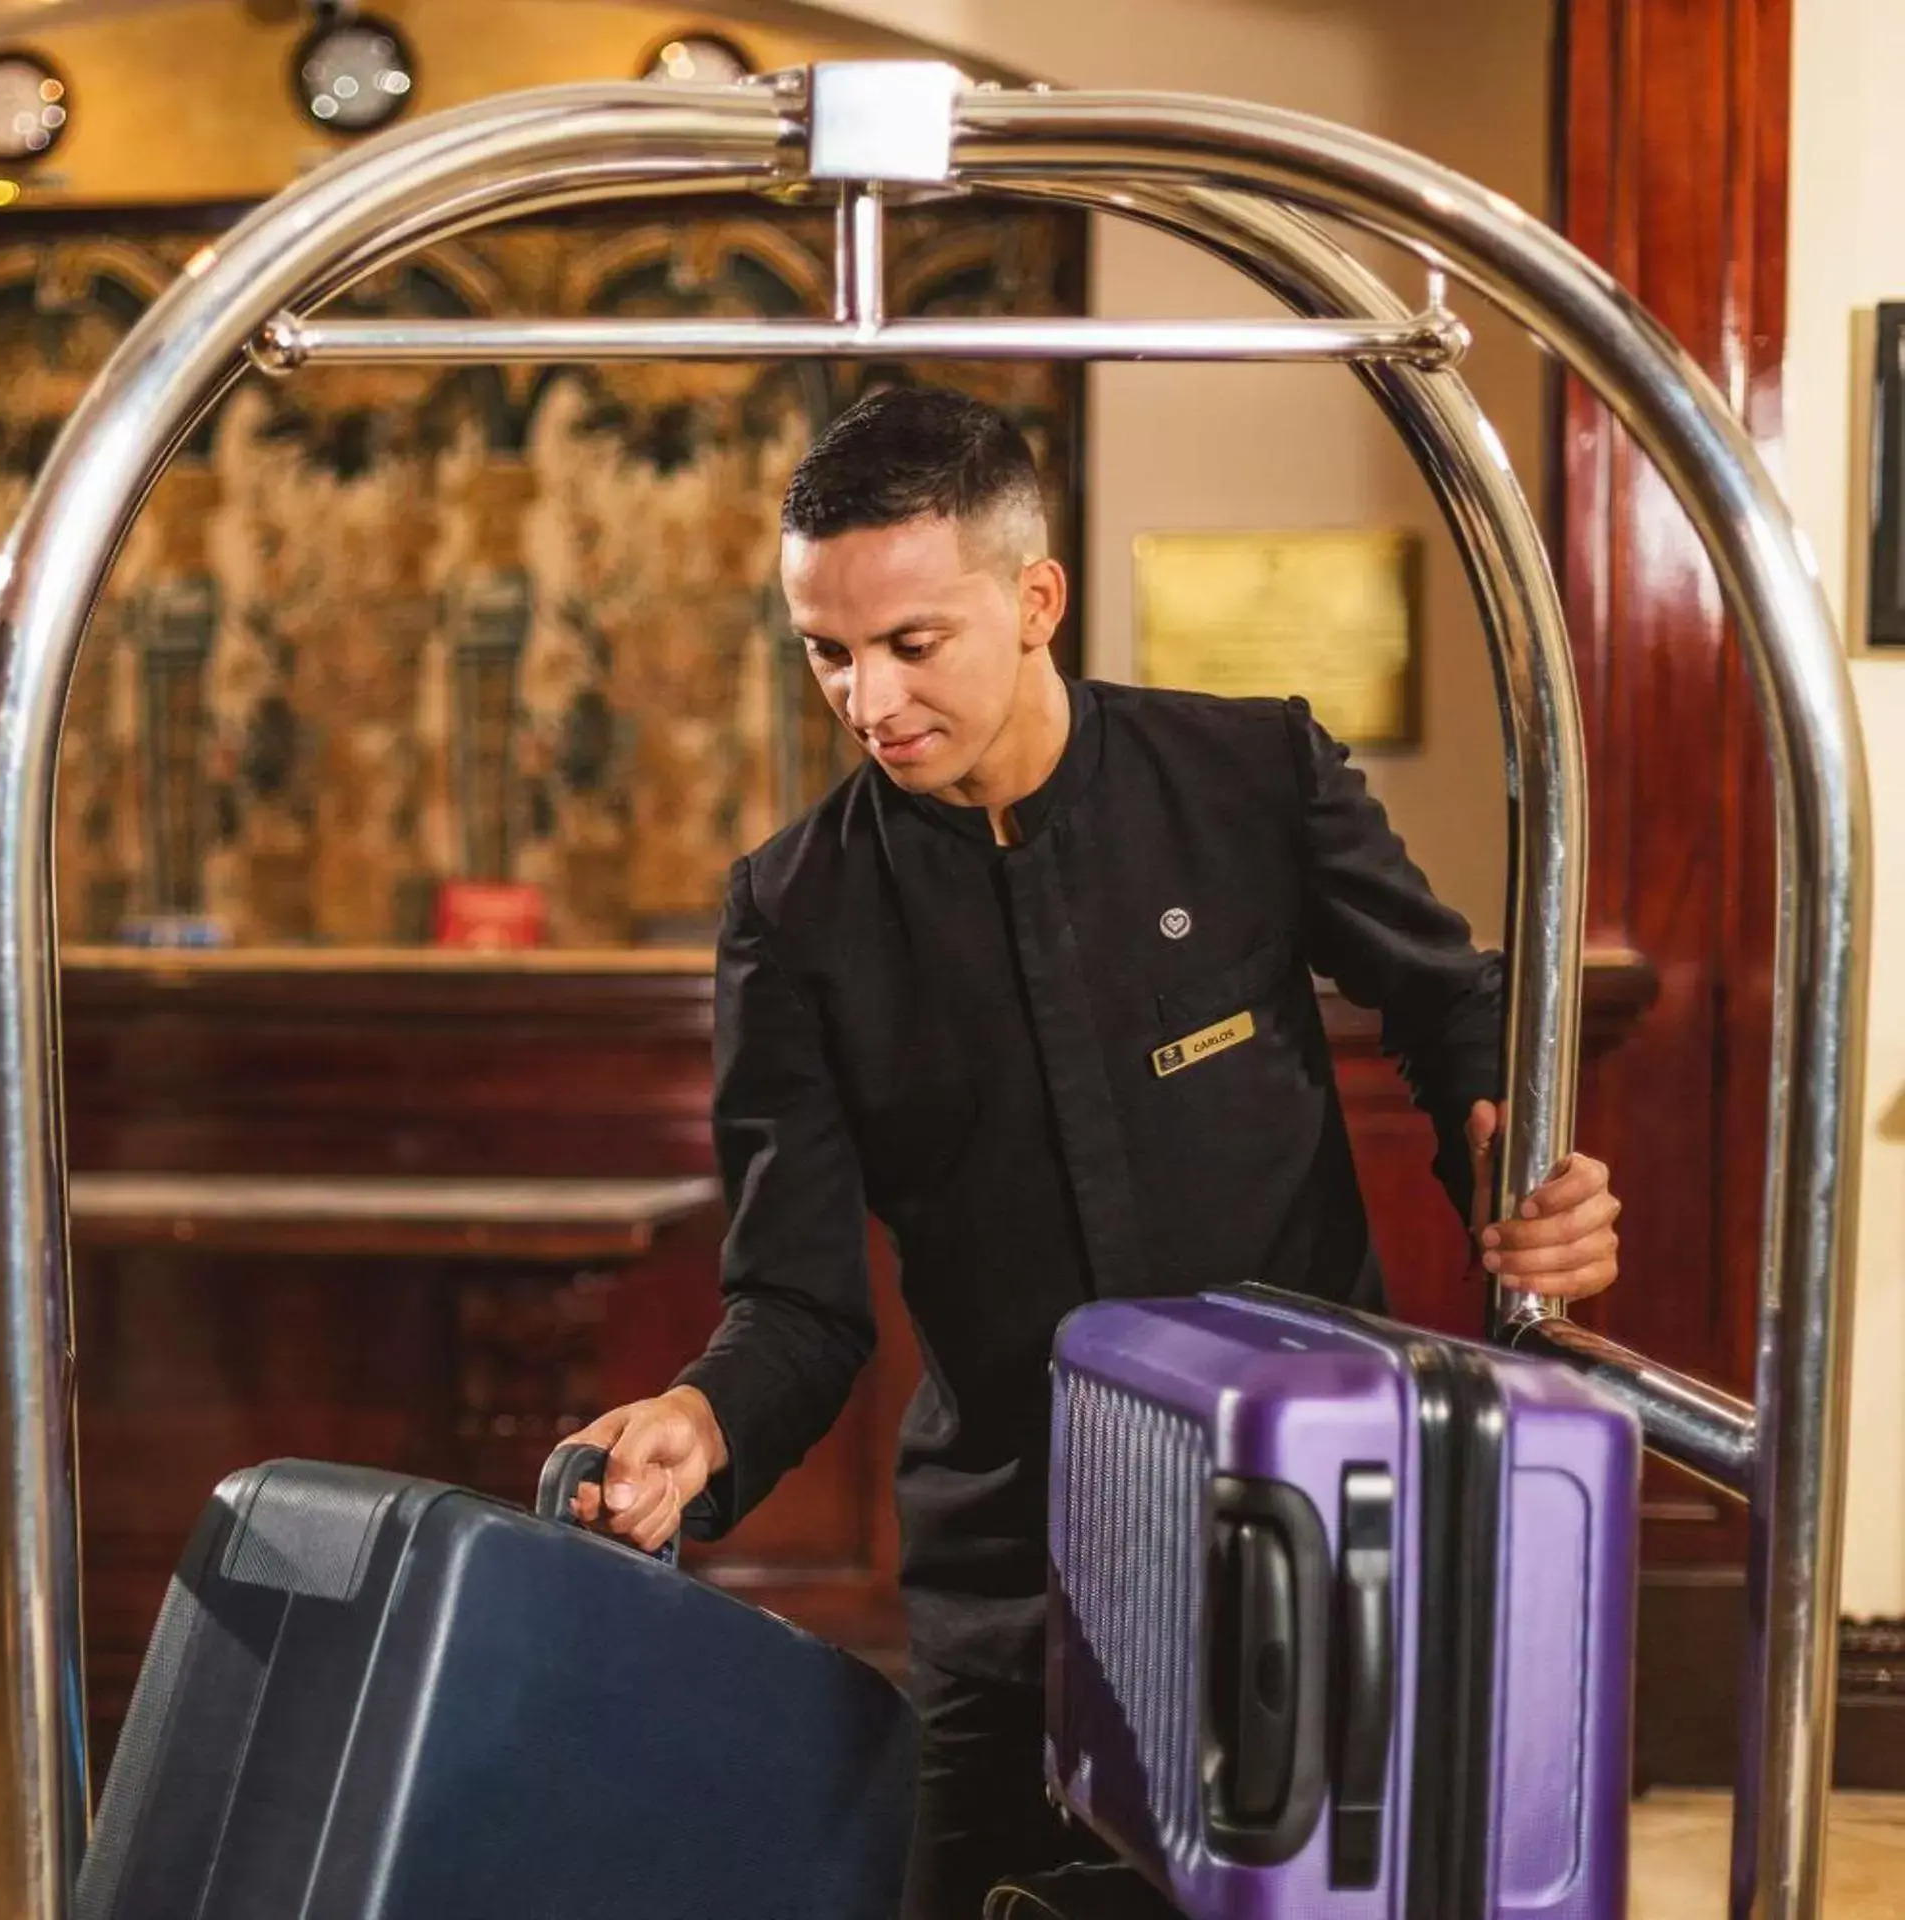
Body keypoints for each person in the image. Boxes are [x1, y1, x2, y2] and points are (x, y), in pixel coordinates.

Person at [563, 389, 1623, 1919]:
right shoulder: (793, 916)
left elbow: (1454, 1005)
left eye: (912, 643)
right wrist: (699, 1424)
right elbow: (796, 1304)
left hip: (1309, 1532)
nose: (866, 701)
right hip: (1018, 1579)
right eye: (826, 651)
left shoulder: (1251, 776)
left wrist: (1508, 1169)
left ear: (1035, 600)